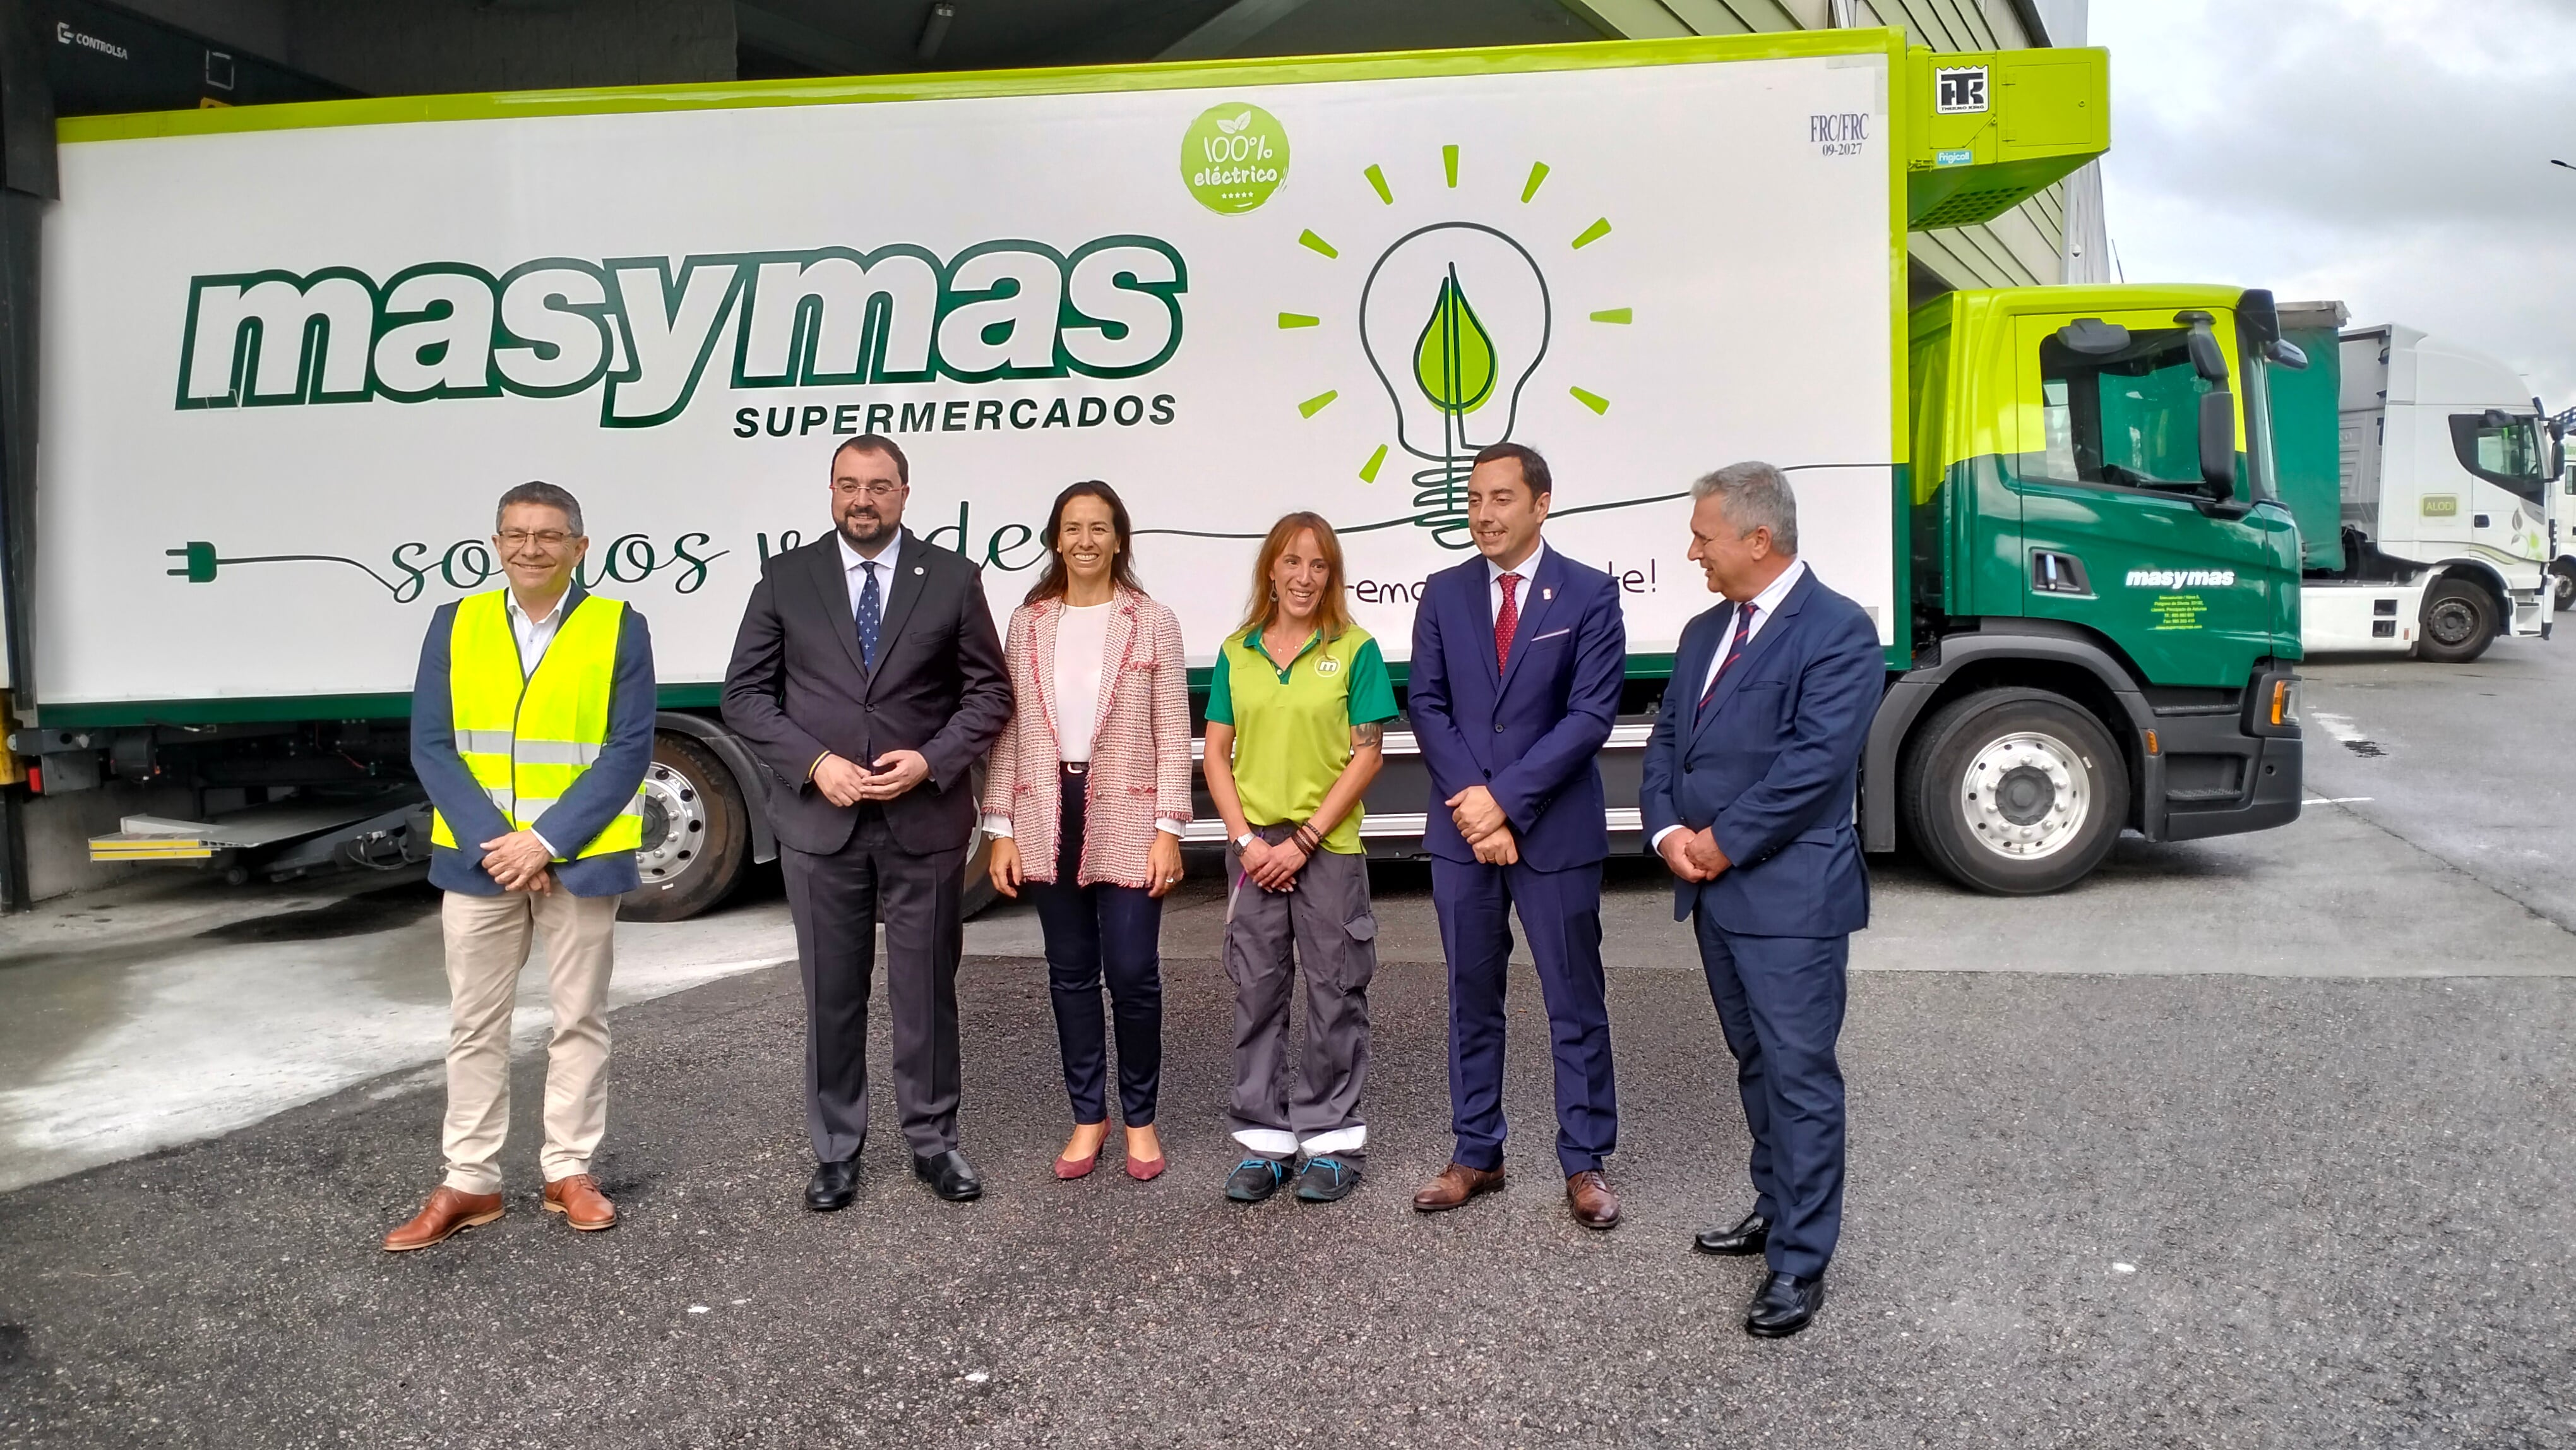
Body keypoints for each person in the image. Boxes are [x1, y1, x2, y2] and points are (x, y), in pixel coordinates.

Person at [720, 434, 1011, 1208]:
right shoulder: (788, 578)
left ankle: (933, 1141)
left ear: (906, 494)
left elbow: (988, 694)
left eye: (879, 487)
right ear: (830, 491)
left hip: (924, 818)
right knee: (831, 992)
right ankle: (836, 1150)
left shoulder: (951, 578)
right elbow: (745, 695)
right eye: (849, 485)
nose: (863, 500)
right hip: (822, 821)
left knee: (926, 991)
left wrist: (933, 760)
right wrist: (816, 763)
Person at [1639, 461, 1880, 1339]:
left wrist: (1721, 840)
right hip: (1713, 894)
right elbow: (1668, 744)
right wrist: (1668, 834)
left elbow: (1814, 767)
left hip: (1789, 899)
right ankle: (1777, 1209)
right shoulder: (1707, 631)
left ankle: (1801, 1263)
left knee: (1799, 1074)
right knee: (1755, 1062)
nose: (1692, 550)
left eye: (1703, 535)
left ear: (1757, 539)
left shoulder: (1838, 632)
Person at [385, 481, 655, 1251]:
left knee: (580, 1019)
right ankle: (469, 1181)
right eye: (515, 534)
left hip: (578, 857)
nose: (530, 547)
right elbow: (431, 745)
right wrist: (499, 845)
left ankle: (568, 1169)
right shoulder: (456, 622)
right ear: (496, 544)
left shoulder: (617, 626)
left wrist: (543, 840)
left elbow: (627, 749)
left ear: (580, 546)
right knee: (475, 1024)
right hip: (481, 862)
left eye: (548, 534)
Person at [1404, 443, 1630, 1230]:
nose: (1484, 513)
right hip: (1463, 832)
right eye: (1474, 498)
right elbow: (1426, 705)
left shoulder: (1590, 595)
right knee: (1472, 997)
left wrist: (1503, 803)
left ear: (1541, 504)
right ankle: (1477, 1152)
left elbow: (1589, 717)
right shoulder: (1444, 592)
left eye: (1502, 498)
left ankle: (1586, 1160)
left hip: (1554, 831)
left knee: (1574, 999)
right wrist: (1475, 807)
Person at [982, 481, 1193, 1182]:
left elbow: (1172, 731)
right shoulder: (1029, 622)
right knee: (1070, 974)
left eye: (1099, 527)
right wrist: (1000, 827)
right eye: (1072, 527)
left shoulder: (1152, 620)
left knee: (1132, 973)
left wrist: (1169, 827)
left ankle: (1141, 1118)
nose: (1085, 541)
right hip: (1047, 809)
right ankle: (1087, 1117)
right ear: (1054, 538)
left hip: (1129, 813)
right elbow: (1009, 730)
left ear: (1120, 538)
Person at [1200, 512, 1395, 1206]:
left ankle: (1331, 1141)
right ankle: (1265, 1143)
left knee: (1335, 990)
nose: (1305, 577)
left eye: (1318, 565)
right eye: (1292, 563)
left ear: (1332, 575)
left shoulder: (1355, 649)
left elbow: (1368, 753)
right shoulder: (1238, 651)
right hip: (1254, 850)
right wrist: (1247, 841)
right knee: (1256, 990)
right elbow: (1216, 754)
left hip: (1327, 846)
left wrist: (1305, 839)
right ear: (1271, 571)